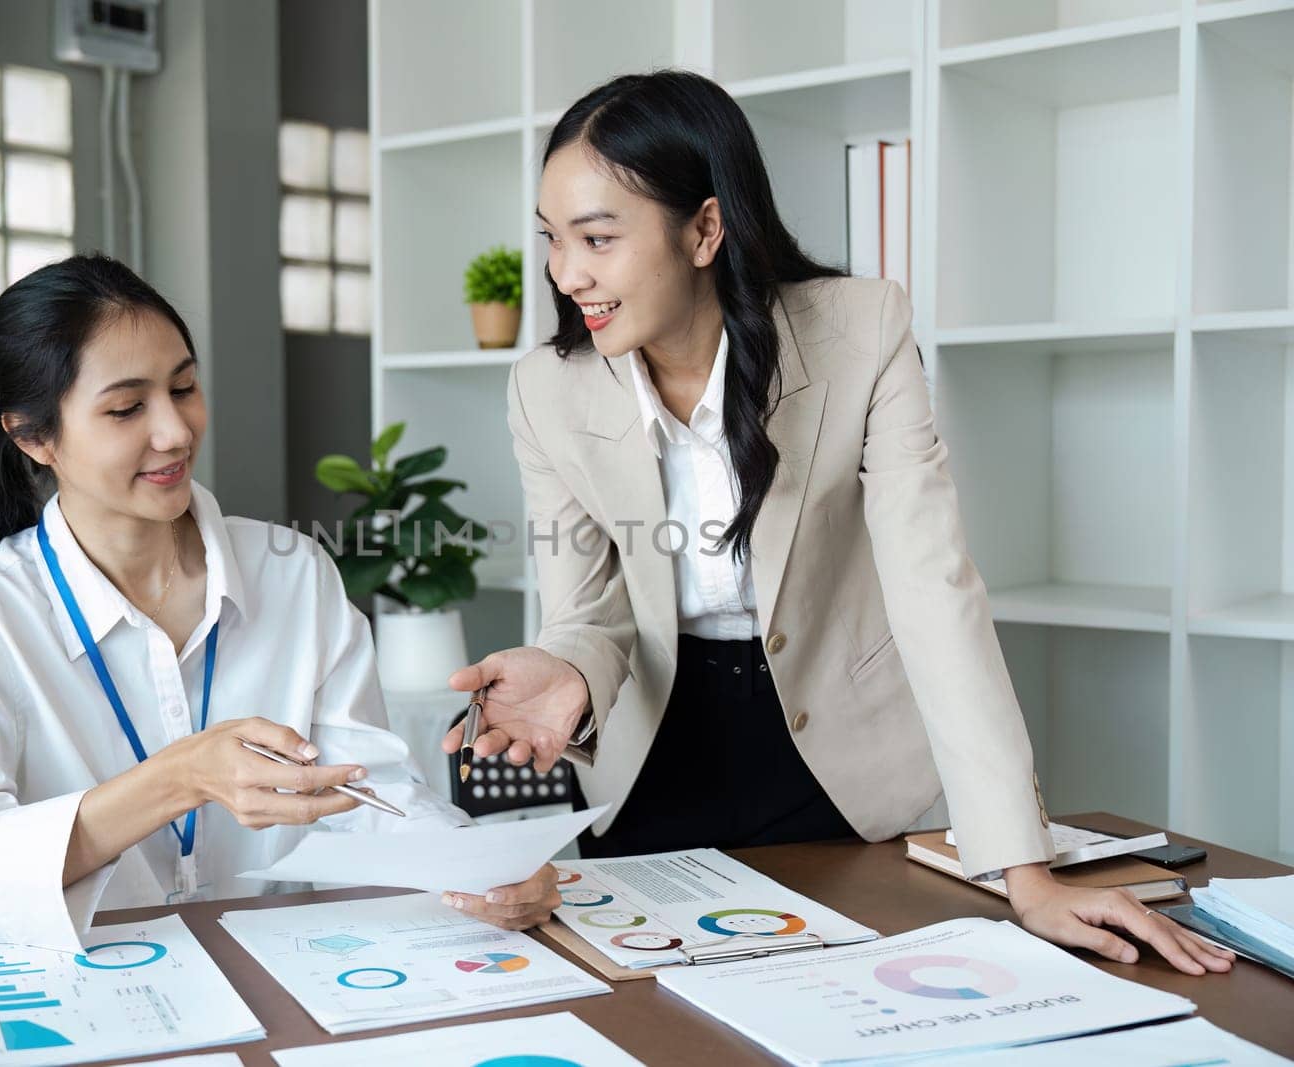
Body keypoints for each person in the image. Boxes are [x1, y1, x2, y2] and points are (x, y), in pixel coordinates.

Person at [441, 70, 1230, 977]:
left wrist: (1027, 871)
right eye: (552, 239)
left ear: (704, 228)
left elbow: (934, 593)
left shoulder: (862, 330)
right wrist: (567, 665)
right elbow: (590, 606)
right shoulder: (548, 386)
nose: (564, 272)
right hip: (654, 759)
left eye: (598, 238)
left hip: (846, 762)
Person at [0, 253, 557, 952]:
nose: (175, 431)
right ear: (32, 435)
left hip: (292, 984)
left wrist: (484, 867)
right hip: (99, 992)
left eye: (183, 387)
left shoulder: (293, 572)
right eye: (126, 408)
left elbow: (367, 794)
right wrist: (178, 779)